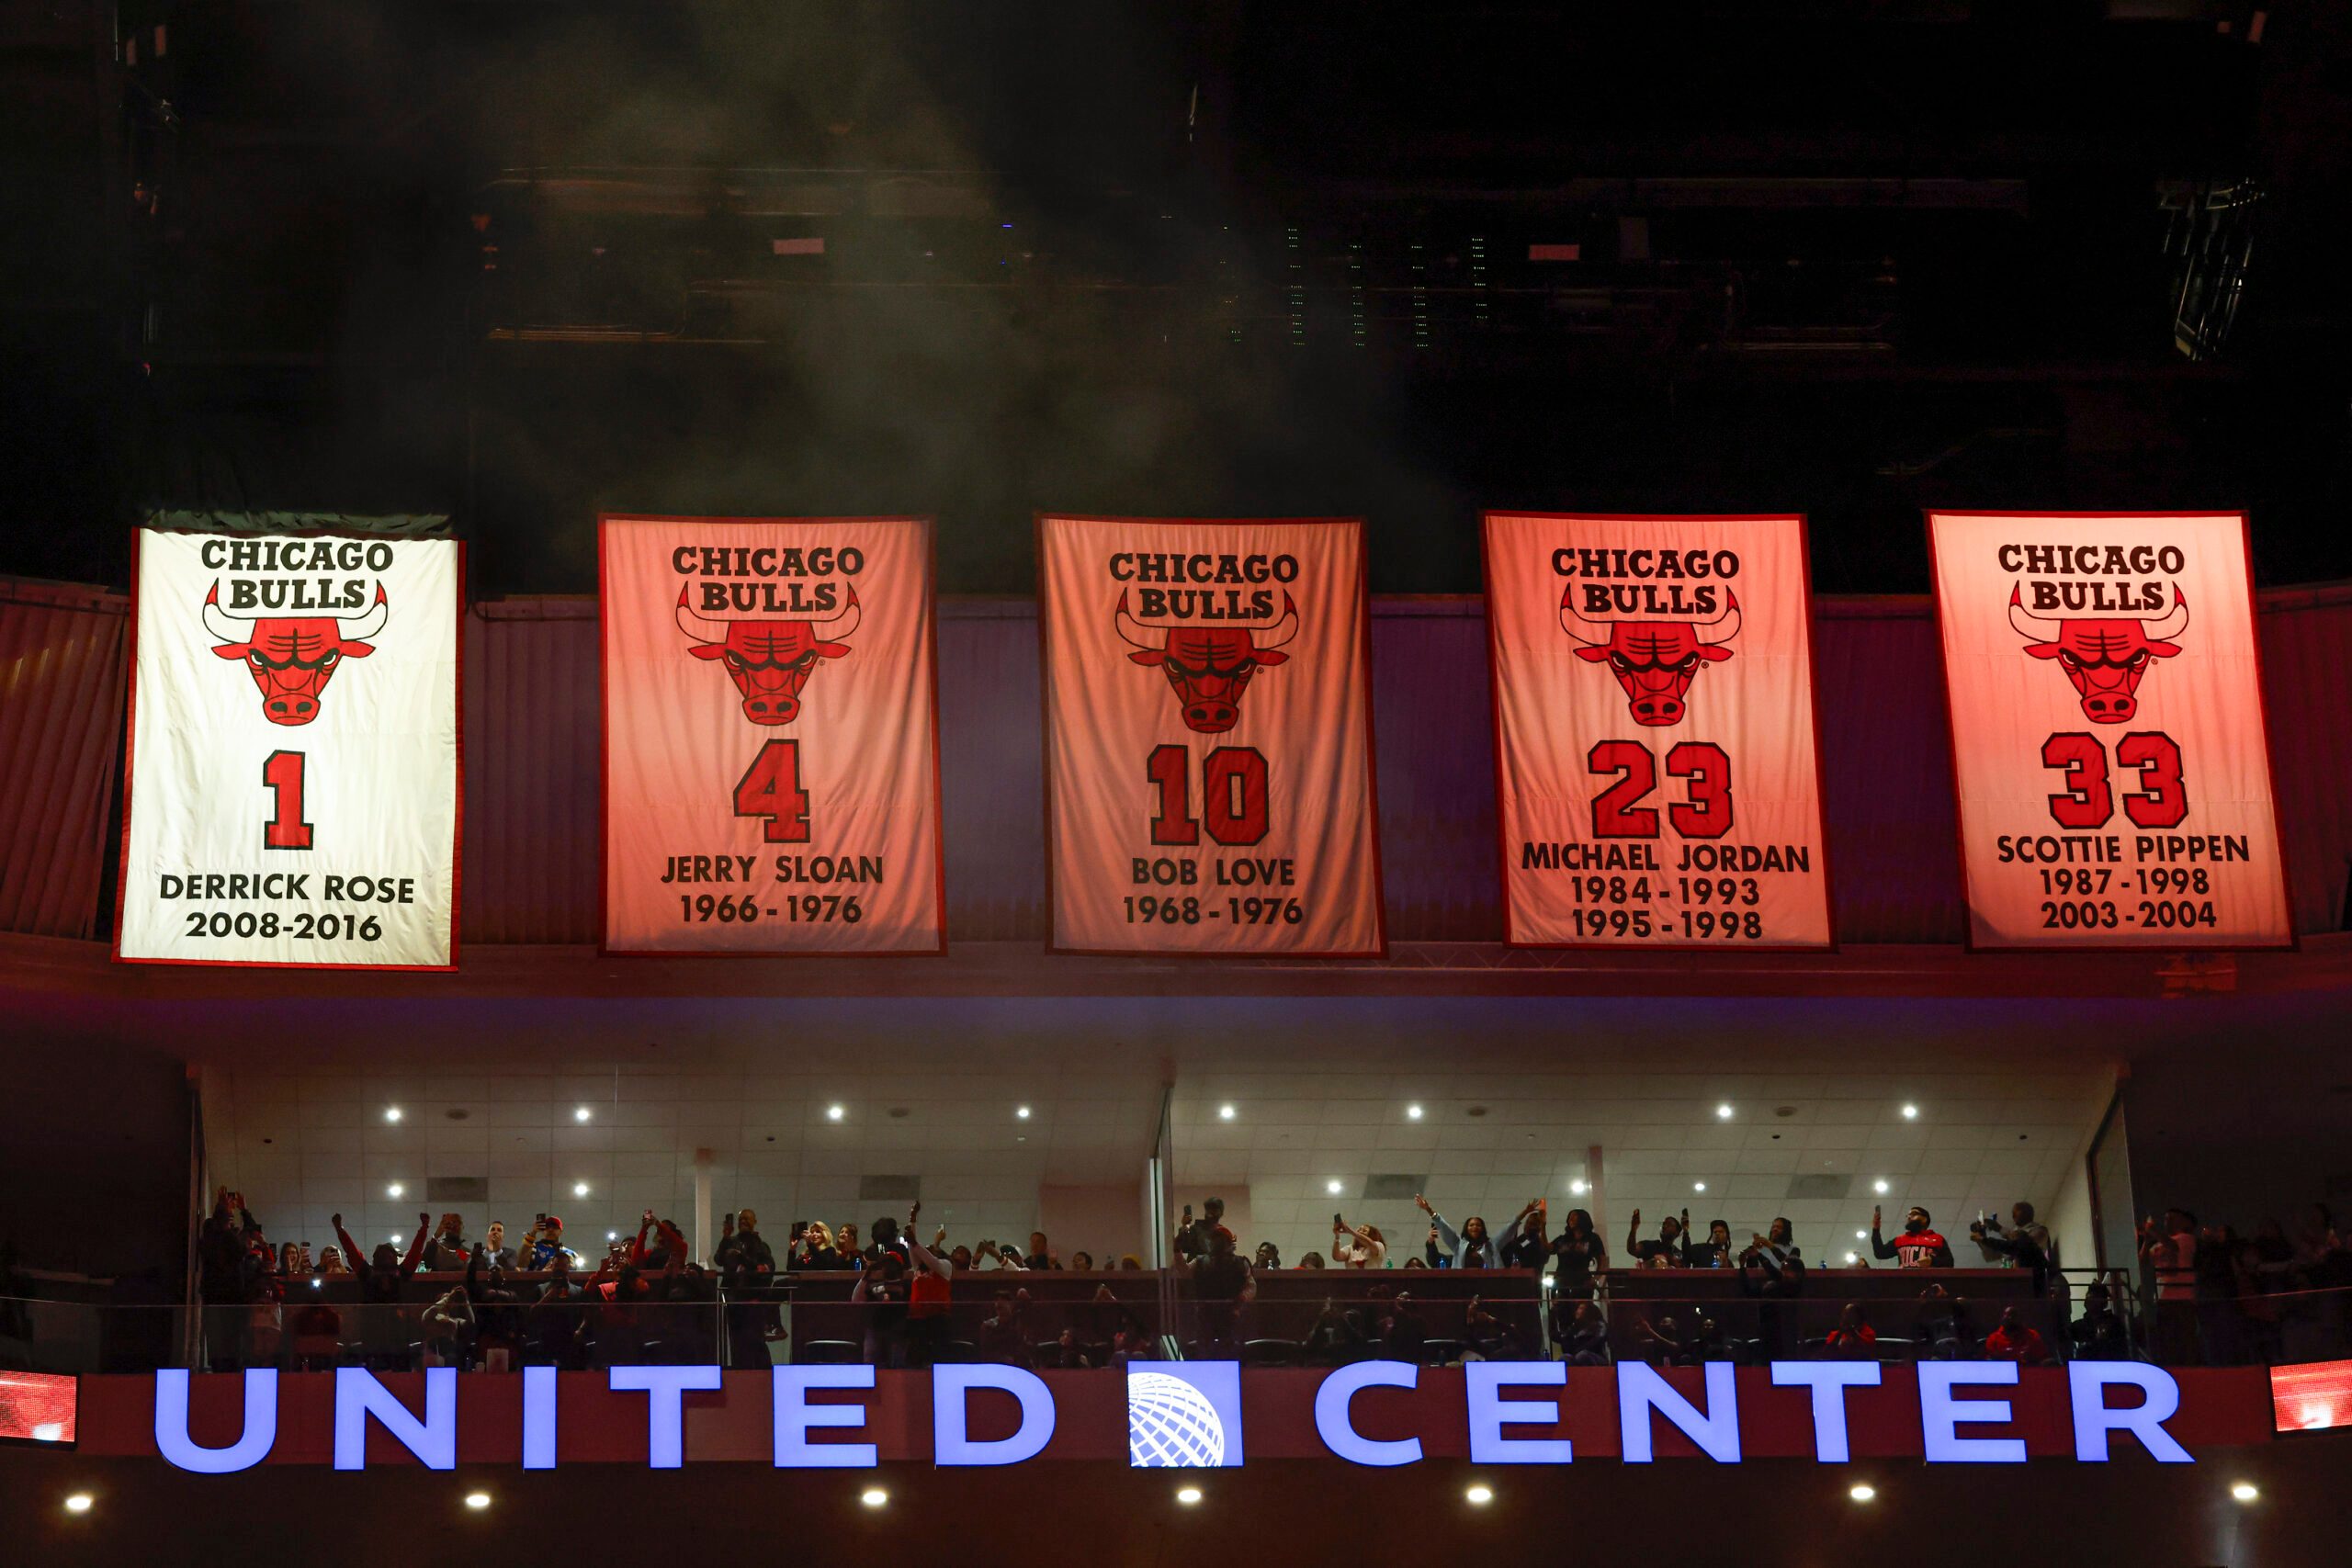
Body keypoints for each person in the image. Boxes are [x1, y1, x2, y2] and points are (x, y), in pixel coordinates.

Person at [334, 1212, 430, 1370]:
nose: (386, 1258)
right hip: (378, 1334)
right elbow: (352, 1251)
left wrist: (340, 1229)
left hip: (390, 1334)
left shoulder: (371, 1273)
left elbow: (352, 1252)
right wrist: (424, 1228)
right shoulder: (394, 1273)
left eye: (389, 1255)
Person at [714, 1208, 779, 1369]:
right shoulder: (730, 1242)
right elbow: (719, 1259)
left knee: (755, 1338)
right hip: (734, 1299)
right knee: (736, 1339)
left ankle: (762, 1371)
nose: (743, 1221)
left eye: (747, 1219)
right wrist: (725, 1236)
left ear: (754, 1222)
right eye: (741, 1219)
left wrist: (742, 1259)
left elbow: (767, 1269)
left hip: (753, 1298)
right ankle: (740, 1370)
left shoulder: (761, 1245)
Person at [2139, 1209, 2200, 1364]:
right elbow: (2143, 1261)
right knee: (2168, 1337)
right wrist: (2147, 1240)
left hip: (2183, 1296)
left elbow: (2173, 1247)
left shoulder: (2186, 1239)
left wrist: (2153, 1231)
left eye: (2172, 1218)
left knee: (2185, 1337)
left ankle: (2190, 1367)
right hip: (2162, 1296)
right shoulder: (2159, 1243)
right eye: (2166, 1218)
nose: (2168, 1222)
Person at [1189, 1224, 1254, 1354]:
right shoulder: (1200, 1261)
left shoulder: (1241, 1262)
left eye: (1222, 1239)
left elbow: (1251, 1286)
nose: (1218, 1242)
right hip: (1205, 1313)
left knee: (1230, 1349)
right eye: (1215, 1239)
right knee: (1205, 1349)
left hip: (1231, 1312)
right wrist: (1177, 1252)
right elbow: (1183, 1271)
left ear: (1229, 1243)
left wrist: (1242, 1299)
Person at [1971, 1202, 2055, 1299]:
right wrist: (1981, 1236)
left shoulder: (2040, 1230)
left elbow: (2023, 1245)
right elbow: (1994, 1255)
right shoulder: (2014, 1235)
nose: (2013, 1216)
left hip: (2032, 1279)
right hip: (2013, 1280)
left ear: (2028, 1213)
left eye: (2016, 1212)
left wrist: (1999, 1229)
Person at [1415, 1193, 1498, 1269]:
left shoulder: (1490, 1246)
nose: (1475, 1227)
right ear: (1466, 1228)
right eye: (1471, 1225)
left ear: (1483, 1228)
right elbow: (1445, 1227)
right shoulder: (1458, 1244)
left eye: (1478, 1225)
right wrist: (1428, 1209)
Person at [1547, 1209, 1608, 1302]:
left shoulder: (1592, 1238)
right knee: (1562, 1307)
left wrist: (1596, 1278)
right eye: (1569, 1217)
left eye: (1574, 1216)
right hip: (1562, 1280)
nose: (1570, 1219)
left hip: (1582, 1281)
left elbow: (1603, 1260)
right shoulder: (1563, 1239)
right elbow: (1547, 1249)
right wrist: (1543, 1227)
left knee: (1582, 1307)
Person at [1871, 1205, 1954, 1269]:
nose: (1909, 1217)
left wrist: (1932, 1261)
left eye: (1914, 1214)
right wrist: (1876, 1230)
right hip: (1904, 1282)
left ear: (1924, 1219)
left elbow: (1950, 1262)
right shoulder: (1899, 1240)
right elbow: (1880, 1253)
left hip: (1928, 1282)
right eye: (1908, 1215)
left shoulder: (1938, 1239)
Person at [2069, 1282, 2133, 1360]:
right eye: (2087, 1297)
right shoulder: (2079, 1325)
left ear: (2103, 1302)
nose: (2088, 1301)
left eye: (2093, 1298)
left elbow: (2119, 1350)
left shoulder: (2113, 1323)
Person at [1913, 1283, 1973, 1359]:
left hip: (1960, 1352)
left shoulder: (1957, 1311)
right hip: (1934, 1353)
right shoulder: (1926, 1314)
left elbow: (1967, 1336)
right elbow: (1919, 1332)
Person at [978, 1289, 1034, 1366]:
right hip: (996, 1365)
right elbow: (986, 1351)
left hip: (1018, 1364)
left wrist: (1026, 1299)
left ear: (1011, 1304)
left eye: (1003, 1300)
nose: (999, 1302)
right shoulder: (988, 1326)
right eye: (997, 1300)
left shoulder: (1017, 1322)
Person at [1984, 1305, 2052, 1366]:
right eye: (2007, 1315)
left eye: (2013, 1315)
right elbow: (1989, 1361)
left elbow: (2042, 1358)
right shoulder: (1994, 1338)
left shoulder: (2033, 1335)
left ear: (2021, 1318)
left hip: (2028, 1370)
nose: (2010, 1318)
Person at [1625, 1208, 1692, 1267]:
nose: (1664, 1226)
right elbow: (1632, 1250)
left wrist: (1685, 1231)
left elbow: (1686, 1263)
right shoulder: (1649, 1246)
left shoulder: (1678, 1253)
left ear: (1677, 1232)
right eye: (1664, 1224)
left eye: (1669, 1224)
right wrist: (1633, 1229)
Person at [1498, 1200, 1547, 1271]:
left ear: (1539, 1227)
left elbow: (1519, 1249)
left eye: (1533, 1224)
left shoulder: (1537, 1242)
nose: (1528, 1226)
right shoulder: (1524, 1239)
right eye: (1527, 1222)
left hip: (1530, 1275)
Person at [1556, 1299, 1610, 1365]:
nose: (1577, 1311)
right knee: (1565, 1358)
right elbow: (1567, 1348)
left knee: (1582, 1356)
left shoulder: (1599, 1325)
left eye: (1581, 1308)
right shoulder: (1575, 1327)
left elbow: (1596, 1342)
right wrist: (1565, 1337)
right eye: (1578, 1309)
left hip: (1596, 1357)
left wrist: (1578, 1350)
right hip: (1577, 1355)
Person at [1173, 1198, 1226, 1263]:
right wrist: (1185, 1226)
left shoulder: (1223, 1233)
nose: (1210, 1212)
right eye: (1208, 1209)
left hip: (1218, 1268)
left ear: (1221, 1213)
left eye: (1214, 1209)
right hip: (1197, 1268)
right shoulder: (1195, 1229)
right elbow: (1182, 1247)